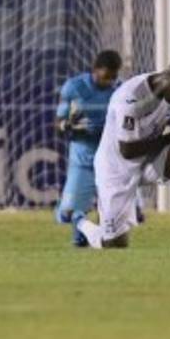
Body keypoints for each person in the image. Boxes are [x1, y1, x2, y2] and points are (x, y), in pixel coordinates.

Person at [74, 58, 170, 251]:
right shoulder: (131, 97)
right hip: (116, 169)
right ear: (168, 77)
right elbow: (128, 150)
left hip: (149, 159)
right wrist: (167, 138)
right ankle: (80, 222)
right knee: (114, 245)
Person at [53, 50, 122, 240]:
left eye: (114, 76)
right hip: (83, 157)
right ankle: (77, 221)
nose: (110, 80)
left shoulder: (120, 90)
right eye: (106, 76)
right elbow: (58, 124)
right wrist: (70, 125)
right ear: (95, 69)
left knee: (113, 212)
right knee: (66, 213)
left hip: (110, 160)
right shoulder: (74, 88)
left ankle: (91, 234)